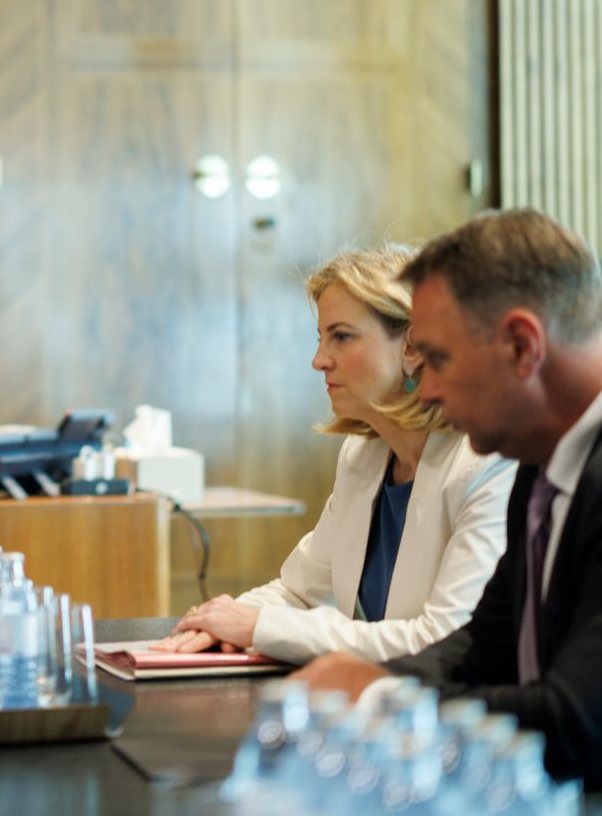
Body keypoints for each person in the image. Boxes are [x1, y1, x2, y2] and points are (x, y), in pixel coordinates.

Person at [295, 209, 602, 801]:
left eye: (438, 359)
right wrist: (366, 679)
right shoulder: (551, 452)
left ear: (521, 346)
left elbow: (576, 725)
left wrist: (379, 698)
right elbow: (480, 649)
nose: (425, 388)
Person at [155, 246, 513, 665]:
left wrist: (255, 627)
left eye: (341, 337)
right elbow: (297, 592)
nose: (318, 360)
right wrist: (212, 621)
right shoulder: (362, 455)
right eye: (321, 338)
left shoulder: (485, 463)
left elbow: (444, 640)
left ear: (414, 347)